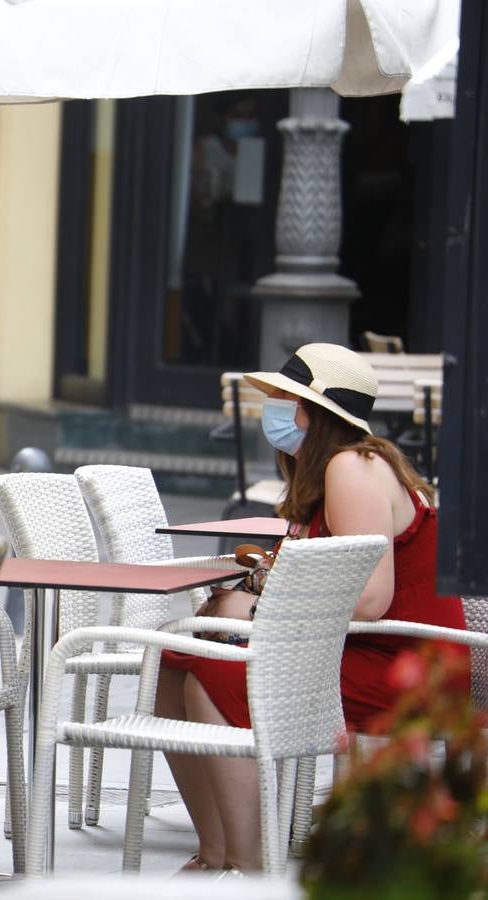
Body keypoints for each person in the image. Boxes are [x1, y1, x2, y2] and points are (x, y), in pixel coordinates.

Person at [156, 342, 470, 875]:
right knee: (173, 666)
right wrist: (251, 598)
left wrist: (259, 614)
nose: (273, 409)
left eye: (284, 399)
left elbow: (371, 600)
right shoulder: (333, 471)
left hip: (408, 665)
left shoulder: (354, 467)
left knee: (216, 677)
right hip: (365, 649)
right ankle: (214, 854)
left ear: (315, 412)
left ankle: (246, 865)